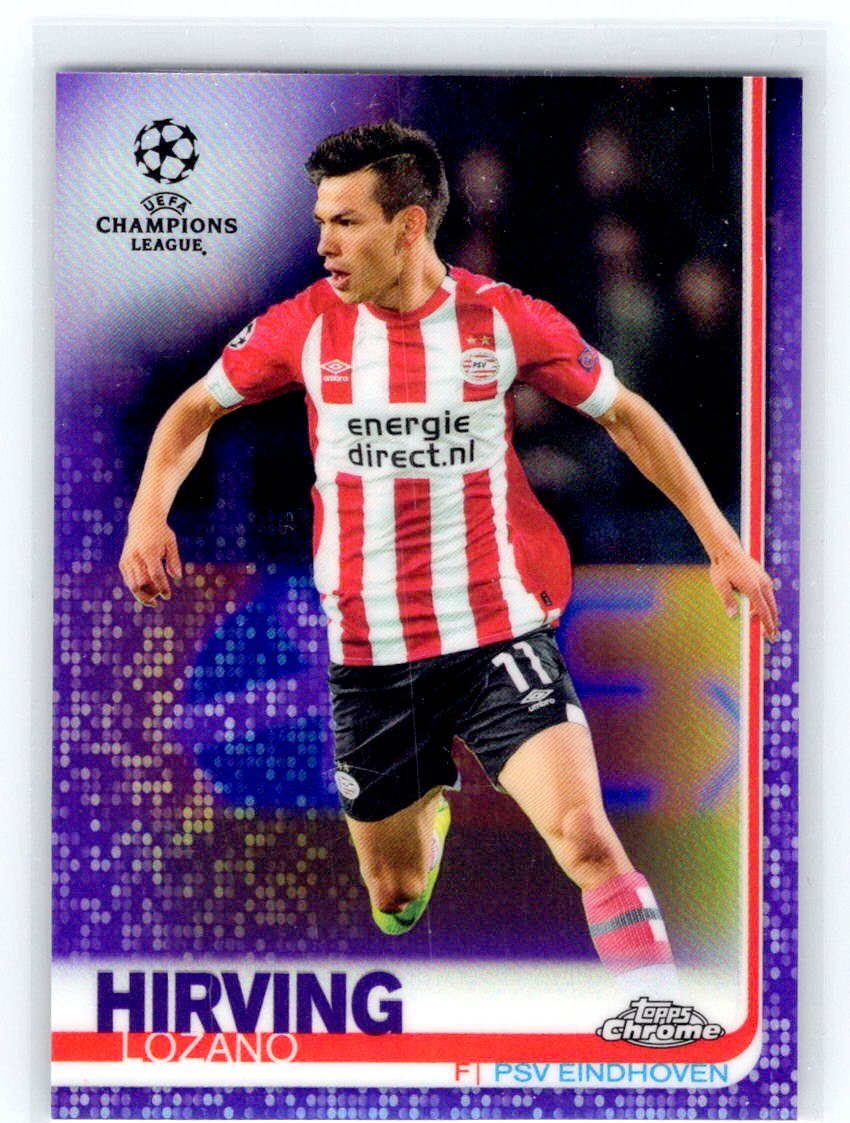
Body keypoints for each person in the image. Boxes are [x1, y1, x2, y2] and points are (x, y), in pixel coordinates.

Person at [120, 121, 778, 997]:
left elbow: (626, 414)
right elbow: (192, 412)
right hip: (372, 656)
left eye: (345, 222)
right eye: (320, 222)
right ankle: (426, 812)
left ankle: (664, 1025)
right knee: (394, 897)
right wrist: (148, 513)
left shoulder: (501, 319)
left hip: (496, 632)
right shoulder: (304, 326)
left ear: (408, 227)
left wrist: (723, 544)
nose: (323, 245)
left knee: (585, 836)